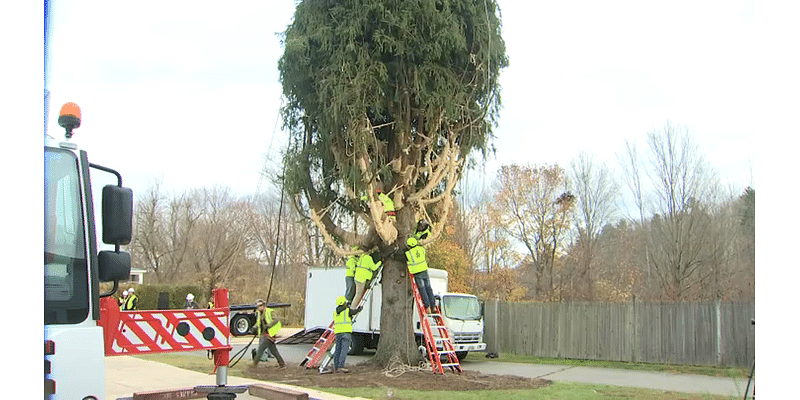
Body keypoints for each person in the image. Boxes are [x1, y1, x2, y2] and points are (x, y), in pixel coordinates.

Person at [327, 296, 362, 373]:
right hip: (346, 333)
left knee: (338, 350)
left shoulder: (335, 312)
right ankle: (341, 366)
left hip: (338, 333)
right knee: (344, 350)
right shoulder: (347, 310)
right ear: (344, 303)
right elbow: (354, 312)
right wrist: (359, 309)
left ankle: (336, 366)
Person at [252, 299, 286, 369]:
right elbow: (258, 323)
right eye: (258, 306)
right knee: (273, 351)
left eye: (261, 305)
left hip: (271, 333)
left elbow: (276, 320)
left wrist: (268, 326)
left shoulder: (270, 311)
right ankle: (282, 364)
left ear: (263, 305)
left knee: (261, 349)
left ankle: (254, 365)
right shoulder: (259, 313)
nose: (259, 307)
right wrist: (254, 327)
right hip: (264, 334)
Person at [405, 236, 435, 314]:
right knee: (428, 288)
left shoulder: (409, 253)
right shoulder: (421, 249)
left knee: (422, 290)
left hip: (417, 273)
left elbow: (406, 259)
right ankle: (433, 306)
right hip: (424, 270)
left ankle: (427, 307)